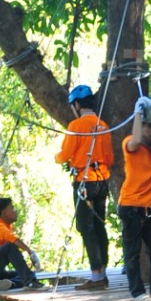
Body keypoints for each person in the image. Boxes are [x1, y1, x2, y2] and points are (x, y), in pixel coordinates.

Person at [56, 86, 114, 289]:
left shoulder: (76, 125)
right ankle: (103, 273)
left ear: (77, 105)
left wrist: (59, 158)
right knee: (99, 225)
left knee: (85, 227)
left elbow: (64, 155)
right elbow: (109, 158)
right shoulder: (103, 125)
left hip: (84, 181)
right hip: (101, 181)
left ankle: (97, 275)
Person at [118, 97, 151, 301]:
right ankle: (137, 292)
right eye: (149, 127)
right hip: (131, 206)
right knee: (133, 253)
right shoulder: (130, 144)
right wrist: (138, 111)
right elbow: (137, 139)